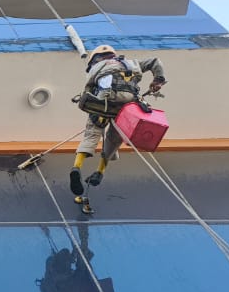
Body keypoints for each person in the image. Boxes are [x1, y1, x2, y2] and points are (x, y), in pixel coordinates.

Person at [69, 45, 166, 213]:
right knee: (114, 140)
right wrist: (158, 80)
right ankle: (100, 171)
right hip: (126, 107)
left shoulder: (96, 67)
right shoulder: (132, 63)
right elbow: (155, 62)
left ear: (95, 59)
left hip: (103, 104)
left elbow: (88, 89)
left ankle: (76, 167)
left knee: (91, 135)